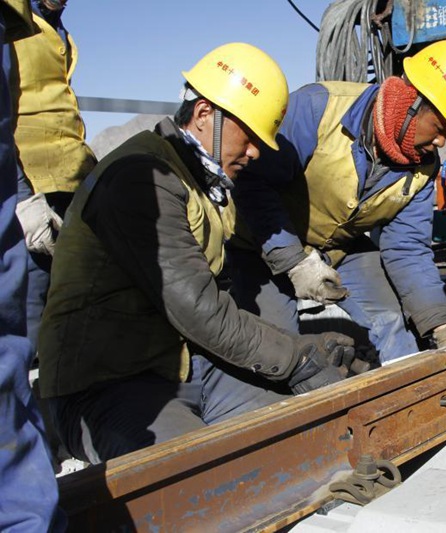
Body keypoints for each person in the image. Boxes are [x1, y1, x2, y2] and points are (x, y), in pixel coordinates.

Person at [37, 43, 357, 465]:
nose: (256, 152)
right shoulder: (140, 178)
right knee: (203, 475)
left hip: (182, 365)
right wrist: (296, 356)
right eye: (249, 134)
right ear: (205, 114)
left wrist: (301, 351)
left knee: (289, 437)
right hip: (108, 383)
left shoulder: (198, 181)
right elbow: (198, 308)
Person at [230, 39, 446, 363]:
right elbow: (252, 183)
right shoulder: (318, 109)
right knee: (279, 349)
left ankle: (407, 401)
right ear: (411, 101)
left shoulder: (423, 169)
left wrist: (441, 324)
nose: (440, 141)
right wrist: (294, 260)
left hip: (336, 248)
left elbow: (407, 249)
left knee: (390, 322)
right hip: (260, 243)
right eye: (440, 127)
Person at [0, 0, 64, 529]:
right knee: (29, 327)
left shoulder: (49, 26)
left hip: (64, 178)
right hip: (34, 187)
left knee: (53, 319)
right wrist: (24, 196)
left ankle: (52, 440)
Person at [6, 0, 96, 349]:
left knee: (78, 308)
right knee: (30, 318)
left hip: (73, 184)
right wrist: (20, 198)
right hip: (31, 193)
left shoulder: (59, 31)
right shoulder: (10, 21)